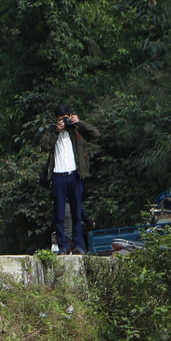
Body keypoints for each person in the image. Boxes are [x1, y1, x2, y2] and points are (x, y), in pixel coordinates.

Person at [42, 103, 101, 255]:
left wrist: (79, 123)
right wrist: (56, 131)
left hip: (75, 175)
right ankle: (62, 246)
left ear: (70, 116)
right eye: (60, 119)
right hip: (58, 176)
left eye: (65, 118)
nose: (63, 122)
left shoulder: (76, 130)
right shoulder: (52, 131)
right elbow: (44, 146)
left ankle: (77, 245)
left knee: (76, 212)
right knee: (59, 215)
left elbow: (95, 134)